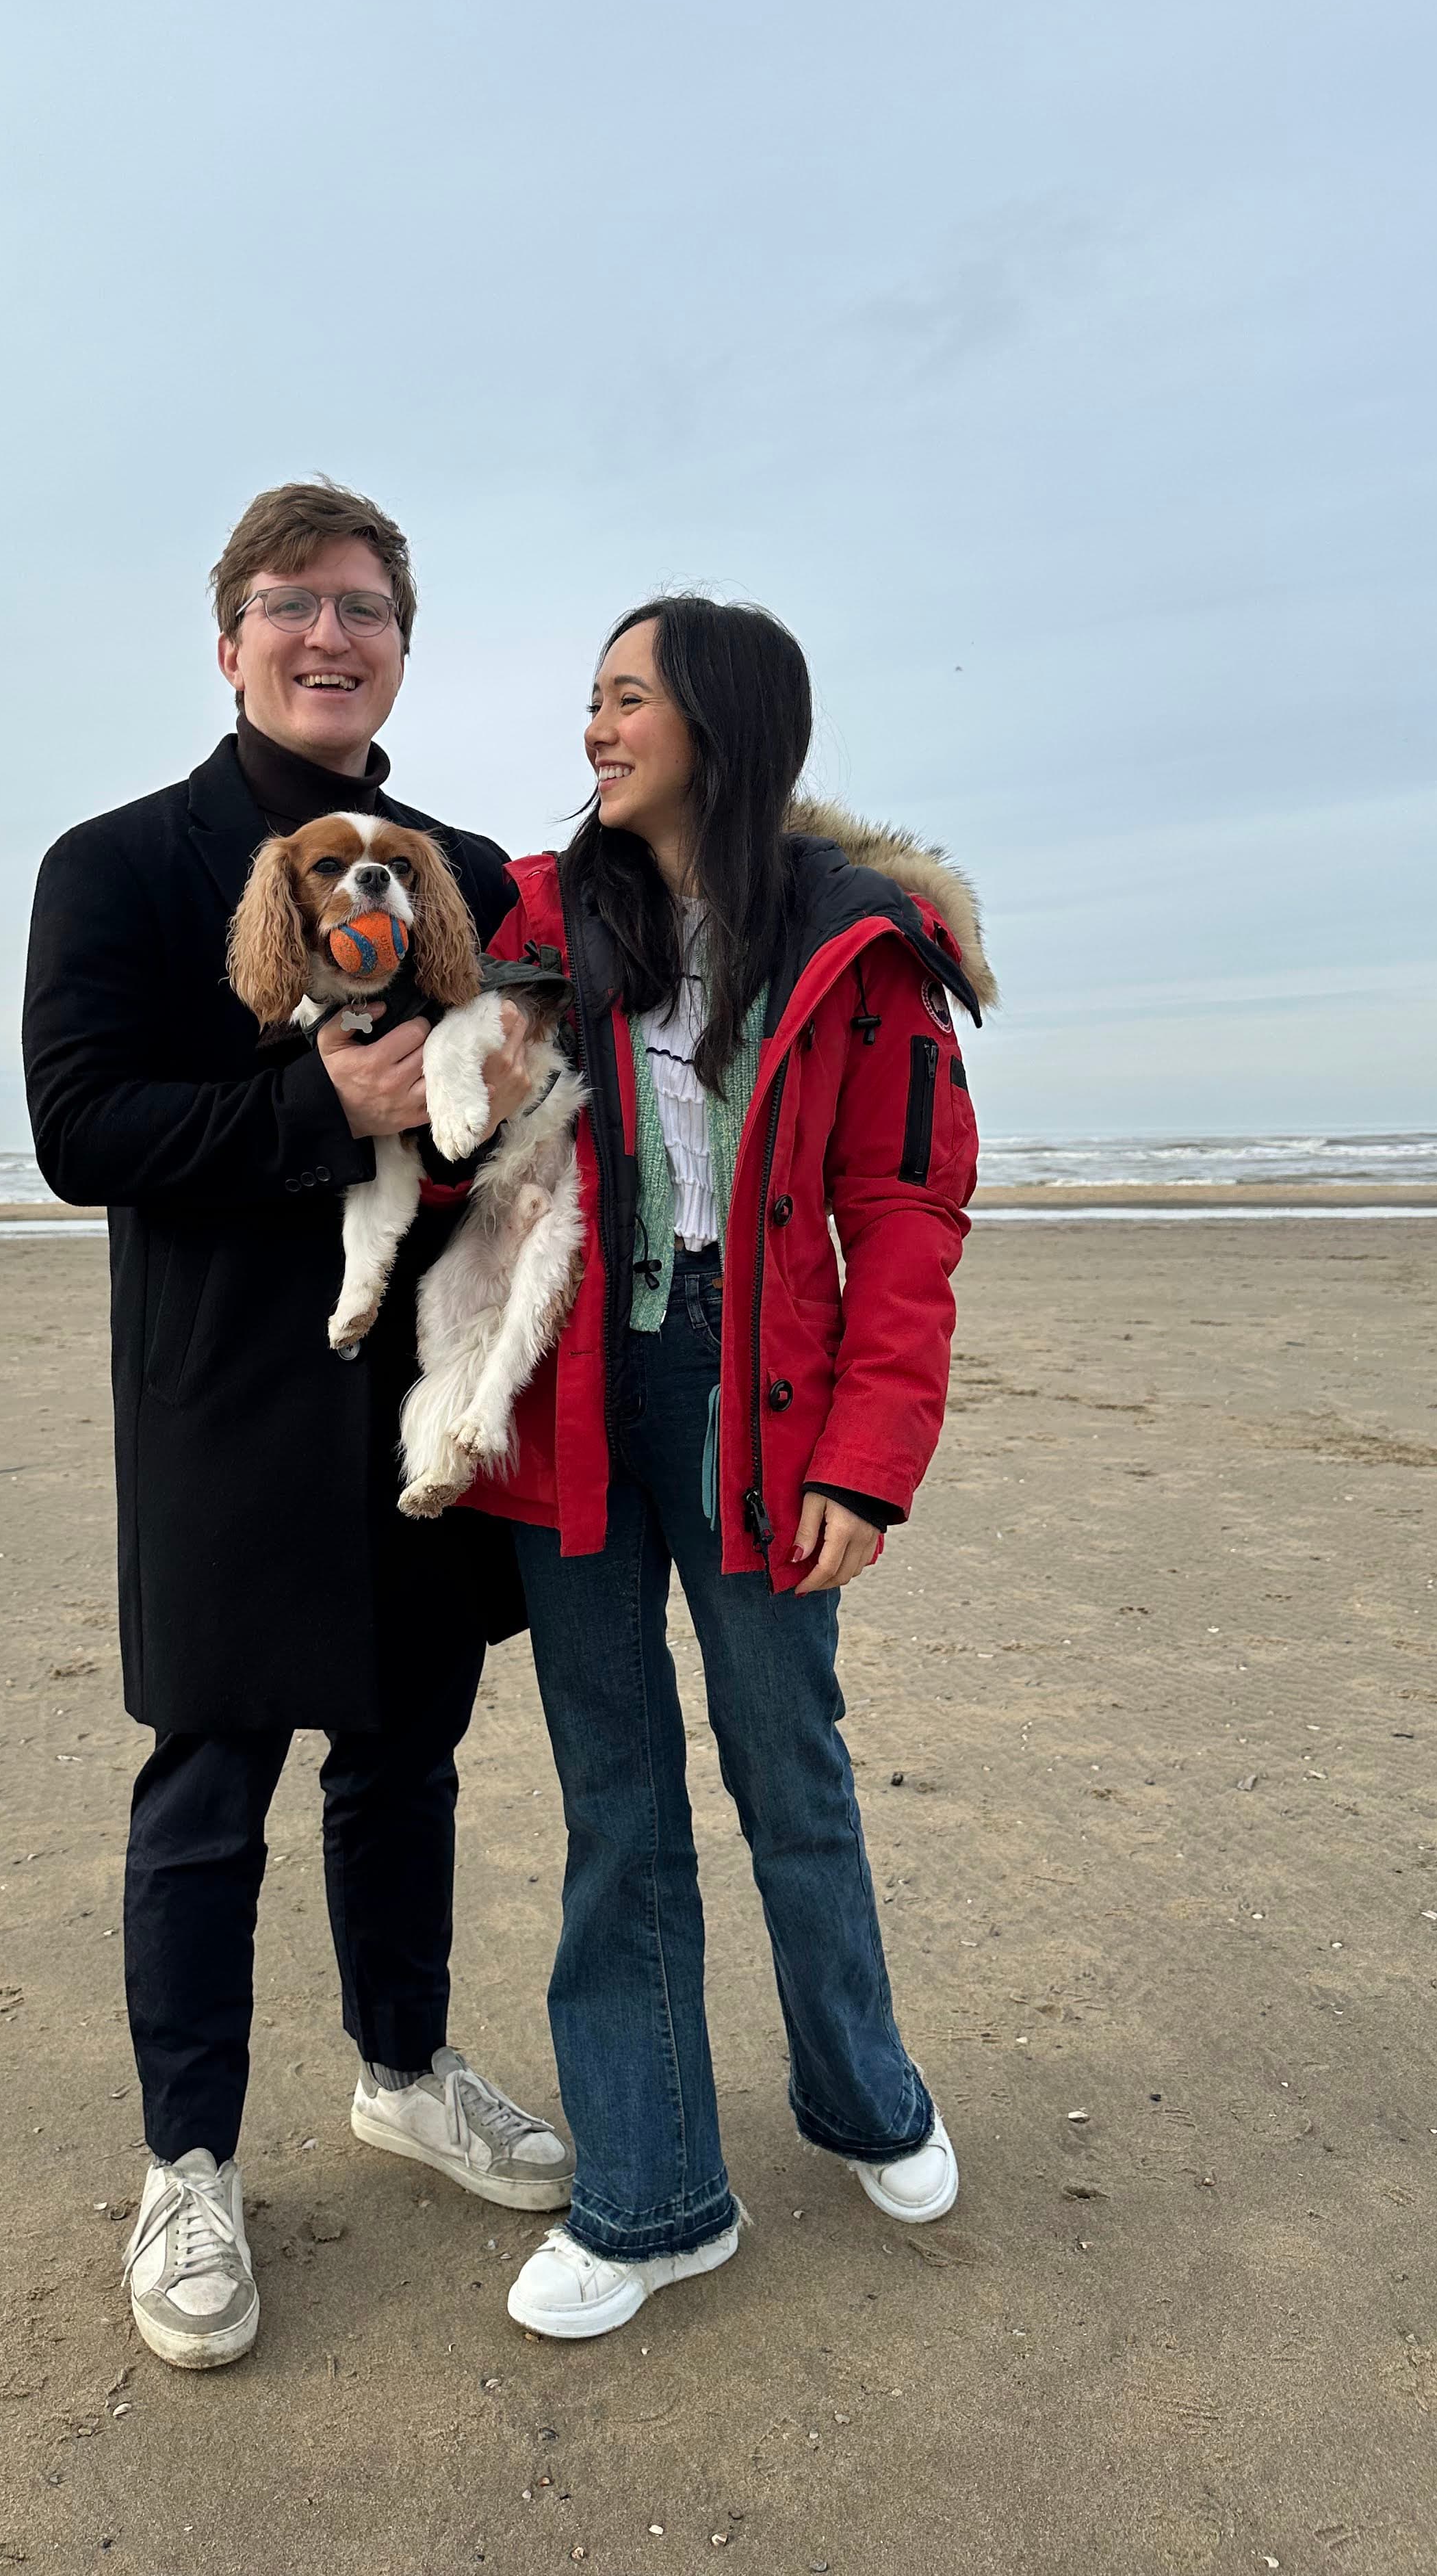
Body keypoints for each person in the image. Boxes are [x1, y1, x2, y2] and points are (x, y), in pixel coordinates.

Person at [22, 480, 572, 2373]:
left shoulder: (471, 868)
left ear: (403, 644)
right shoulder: (121, 864)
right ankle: (189, 2162)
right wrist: (312, 1118)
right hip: (221, 1405)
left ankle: (404, 2070)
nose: (328, 635)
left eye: (364, 607)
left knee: (407, 1754)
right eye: (290, 604)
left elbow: (542, 1092)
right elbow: (78, 1131)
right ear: (229, 635)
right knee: (206, 1790)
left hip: (419, 1404)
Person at [461, 595, 996, 2339]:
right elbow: (381, 966)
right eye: (593, 702)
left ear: (720, 719)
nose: (595, 731)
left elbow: (904, 1216)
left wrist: (871, 1458)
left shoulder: (860, 943)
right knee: (617, 1802)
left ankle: (860, 2093)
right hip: (575, 1391)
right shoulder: (547, 912)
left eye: (625, 700)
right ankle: (654, 2196)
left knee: (791, 1769)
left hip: (761, 1396)